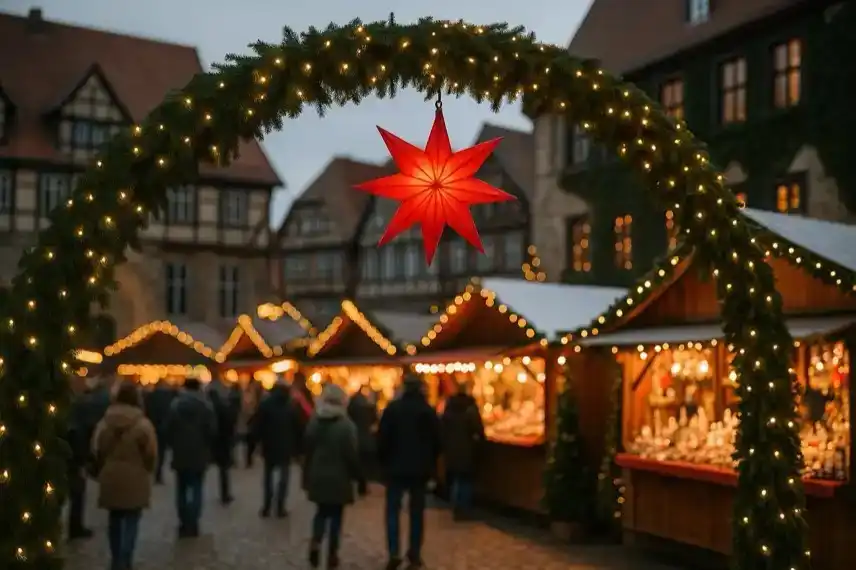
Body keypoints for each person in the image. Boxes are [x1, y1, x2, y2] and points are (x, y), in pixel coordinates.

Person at [91, 381, 158, 570]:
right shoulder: (143, 424)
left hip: (111, 475)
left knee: (114, 518)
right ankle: (125, 559)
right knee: (132, 519)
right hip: (135, 475)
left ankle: (115, 558)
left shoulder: (104, 423)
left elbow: (96, 449)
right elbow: (151, 453)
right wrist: (148, 469)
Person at [377, 373, 441, 570]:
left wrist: (384, 463)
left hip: (395, 468)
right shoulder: (427, 411)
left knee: (392, 511)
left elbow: (382, 439)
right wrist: (430, 464)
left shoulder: (392, 409)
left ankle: (394, 552)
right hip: (419, 470)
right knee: (416, 513)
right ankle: (414, 553)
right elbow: (438, 441)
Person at [302, 383, 363, 569]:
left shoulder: (314, 422)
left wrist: (306, 476)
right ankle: (332, 554)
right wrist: (359, 478)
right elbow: (352, 455)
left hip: (318, 475)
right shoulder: (347, 425)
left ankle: (316, 542)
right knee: (336, 516)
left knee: (321, 513)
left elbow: (307, 450)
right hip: (339, 478)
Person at [164, 377, 217, 538]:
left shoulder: (175, 405)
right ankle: (193, 523)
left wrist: (173, 444)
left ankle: (183, 522)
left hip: (180, 453)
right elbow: (212, 431)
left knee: (181, 489)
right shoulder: (206, 406)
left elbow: (168, 428)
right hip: (199, 453)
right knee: (197, 488)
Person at [66, 374, 112, 540]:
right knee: (77, 493)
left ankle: (74, 526)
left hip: (70, 454)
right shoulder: (82, 407)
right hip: (75, 455)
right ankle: (75, 526)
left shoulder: (73, 405)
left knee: (75, 493)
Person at [251, 377, 303, 517]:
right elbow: (298, 427)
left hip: (269, 445)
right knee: (284, 477)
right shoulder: (291, 406)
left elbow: (257, 425)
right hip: (286, 445)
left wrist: (255, 444)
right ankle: (280, 506)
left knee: (268, 476)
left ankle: (267, 506)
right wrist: (298, 449)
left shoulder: (265, 404)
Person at [441, 382, 485, 520]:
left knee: (456, 479)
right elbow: (478, 429)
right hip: (467, 450)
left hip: (451, 450)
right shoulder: (470, 409)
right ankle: (464, 509)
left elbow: (442, 429)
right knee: (465, 480)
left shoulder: (449, 409)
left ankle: (456, 507)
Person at [207, 376, 241, 504]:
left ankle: (224, 493)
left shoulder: (209, 406)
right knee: (224, 468)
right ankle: (225, 494)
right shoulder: (223, 406)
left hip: (214, 440)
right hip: (223, 440)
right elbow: (229, 422)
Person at [347, 383, 378, 495]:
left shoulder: (352, 407)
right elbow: (374, 422)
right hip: (367, 439)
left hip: (355, 439)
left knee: (356, 463)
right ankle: (363, 486)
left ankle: (358, 485)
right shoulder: (370, 408)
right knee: (365, 464)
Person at [143, 379, 176, 484]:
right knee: (161, 452)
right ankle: (158, 473)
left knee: (151, 450)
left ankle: (151, 470)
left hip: (151, 426)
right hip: (164, 428)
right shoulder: (169, 397)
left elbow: (146, 411)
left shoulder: (150, 397)